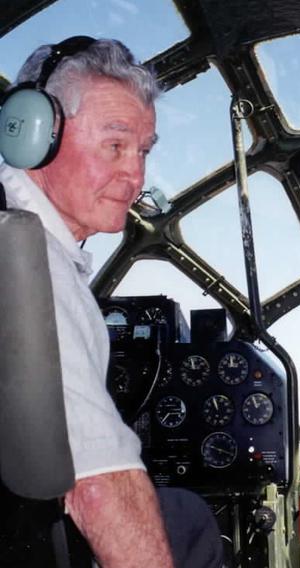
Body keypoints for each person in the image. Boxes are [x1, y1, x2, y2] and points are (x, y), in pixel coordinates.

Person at [0, 38, 222, 567]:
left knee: (182, 511)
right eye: (115, 146)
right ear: (36, 135)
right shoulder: (29, 260)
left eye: (143, 151)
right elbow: (97, 486)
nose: (136, 176)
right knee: (188, 521)